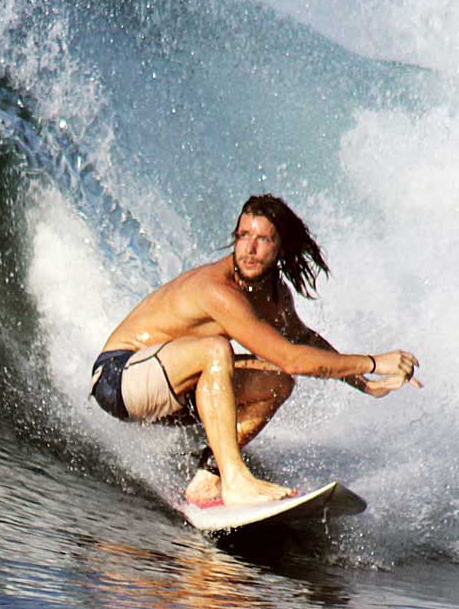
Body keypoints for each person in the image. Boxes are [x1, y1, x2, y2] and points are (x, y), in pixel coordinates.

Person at [89, 195, 420, 507]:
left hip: (170, 390)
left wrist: (366, 382)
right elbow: (291, 357)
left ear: (281, 248)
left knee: (278, 381)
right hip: (119, 378)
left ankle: (210, 476)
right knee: (217, 350)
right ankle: (236, 480)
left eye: (263, 239)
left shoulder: (272, 293)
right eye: (243, 235)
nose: (249, 248)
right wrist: (376, 361)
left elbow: (303, 342)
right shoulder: (217, 290)